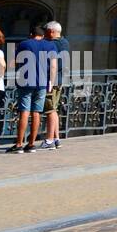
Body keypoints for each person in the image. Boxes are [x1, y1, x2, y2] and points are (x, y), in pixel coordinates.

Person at [9, 25, 56, 152]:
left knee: (24, 111)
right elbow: (53, 66)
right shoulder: (50, 45)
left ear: (31, 34)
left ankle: (19, 144)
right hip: (42, 82)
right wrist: (51, 82)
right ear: (43, 35)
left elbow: (13, 63)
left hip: (25, 81)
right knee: (37, 112)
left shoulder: (24, 44)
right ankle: (31, 144)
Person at [41, 21, 68, 149]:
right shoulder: (64, 42)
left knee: (49, 110)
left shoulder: (52, 44)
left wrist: (50, 82)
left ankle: (49, 140)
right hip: (60, 80)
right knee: (54, 109)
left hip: (52, 81)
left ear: (51, 32)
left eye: (45, 31)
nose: (43, 35)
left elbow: (53, 65)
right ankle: (56, 139)